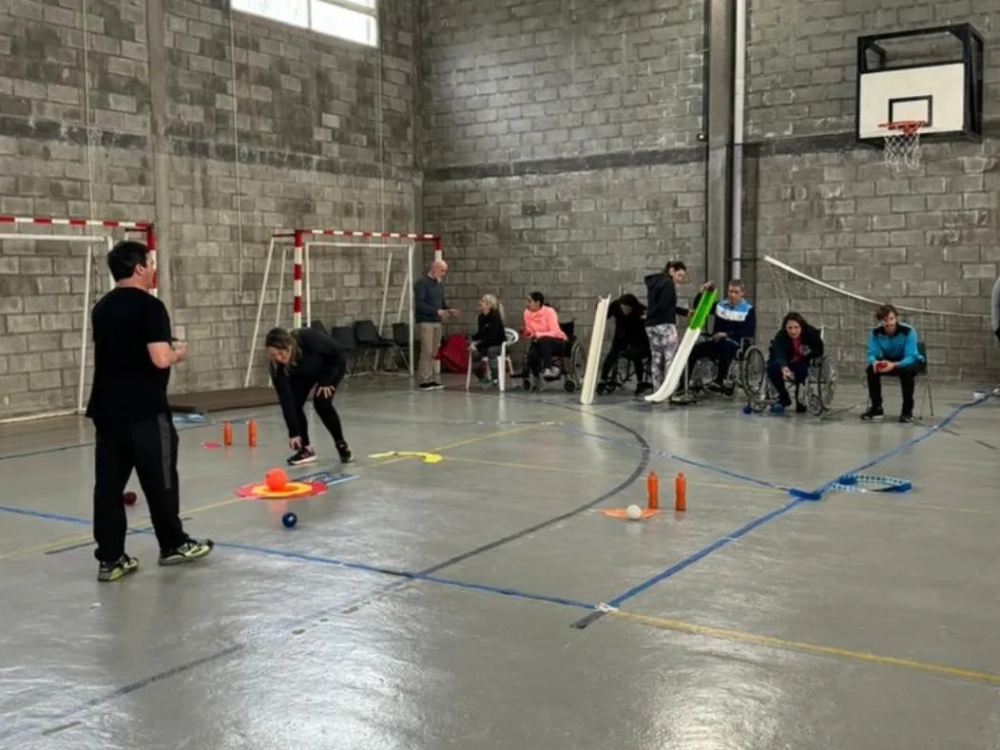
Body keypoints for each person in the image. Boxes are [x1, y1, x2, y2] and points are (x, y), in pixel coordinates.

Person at [85, 240, 213, 582]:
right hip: (145, 410)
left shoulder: (101, 308)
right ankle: (172, 545)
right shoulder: (150, 307)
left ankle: (111, 559)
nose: (153, 267)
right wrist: (178, 354)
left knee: (108, 488)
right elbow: (159, 358)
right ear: (139, 268)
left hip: (107, 411)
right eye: (150, 263)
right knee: (161, 481)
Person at [265, 325, 353, 466]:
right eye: (274, 356)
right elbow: (285, 399)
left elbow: (340, 353)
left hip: (328, 368)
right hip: (303, 374)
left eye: (282, 353)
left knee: (321, 403)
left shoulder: (308, 338)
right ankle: (306, 449)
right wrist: (293, 432)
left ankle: (341, 444)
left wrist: (327, 380)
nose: (280, 359)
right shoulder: (276, 367)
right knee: (295, 403)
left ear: (289, 345)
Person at [687, 279, 756, 393]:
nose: (732, 295)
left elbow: (749, 331)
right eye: (730, 292)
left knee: (725, 347)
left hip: (735, 343)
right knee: (693, 350)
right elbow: (700, 307)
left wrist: (726, 334)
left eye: (736, 292)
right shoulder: (720, 305)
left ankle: (719, 381)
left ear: (742, 293)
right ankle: (684, 384)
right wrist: (702, 292)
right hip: (716, 341)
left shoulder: (748, 310)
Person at [861, 304, 924, 423]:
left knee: (907, 371)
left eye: (891, 319)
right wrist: (874, 362)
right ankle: (876, 408)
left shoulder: (909, 331)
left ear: (896, 318)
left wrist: (894, 365)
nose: (889, 323)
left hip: (911, 360)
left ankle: (907, 411)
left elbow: (911, 356)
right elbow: (871, 353)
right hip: (890, 359)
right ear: (880, 321)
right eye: (885, 320)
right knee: (871, 370)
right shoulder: (875, 333)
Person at [765, 312, 824, 414]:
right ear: (785, 328)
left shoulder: (810, 332)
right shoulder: (781, 336)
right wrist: (784, 367)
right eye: (790, 328)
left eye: (796, 327)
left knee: (801, 371)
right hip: (786, 359)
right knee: (772, 368)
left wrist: (809, 352)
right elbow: (779, 352)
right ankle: (784, 396)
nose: (793, 331)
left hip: (802, 360)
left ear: (801, 326)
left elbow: (820, 350)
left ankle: (800, 399)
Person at [644, 261, 690, 390]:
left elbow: (662, 305)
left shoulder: (654, 283)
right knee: (670, 358)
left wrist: (685, 312)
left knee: (656, 358)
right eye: (679, 275)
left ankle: (657, 389)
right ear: (671, 271)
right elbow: (665, 306)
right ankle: (670, 389)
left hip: (651, 325)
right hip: (665, 324)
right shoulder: (668, 283)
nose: (680, 280)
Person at [414, 259, 459, 391]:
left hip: (437, 322)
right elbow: (420, 304)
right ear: (434, 268)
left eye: (445, 271)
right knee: (426, 350)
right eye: (442, 270)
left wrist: (449, 310)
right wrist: (436, 311)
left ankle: (431, 378)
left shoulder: (439, 284)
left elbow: (441, 303)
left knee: (434, 351)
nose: (444, 273)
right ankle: (424, 379)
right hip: (426, 321)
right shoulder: (422, 283)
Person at [598, 293, 651, 395]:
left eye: (628, 309)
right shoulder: (615, 306)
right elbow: (604, 315)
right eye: (623, 308)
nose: (625, 311)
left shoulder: (641, 310)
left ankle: (640, 382)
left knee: (636, 357)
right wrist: (600, 306)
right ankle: (602, 380)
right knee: (612, 355)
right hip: (621, 336)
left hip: (638, 338)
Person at [522, 291, 567, 380]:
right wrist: (528, 333)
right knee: (532, 354)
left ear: (537, 303)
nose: (527, 304)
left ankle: (548, 368)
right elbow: (530, 330)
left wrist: (538, 334)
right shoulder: (526, 313)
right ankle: (536, 377)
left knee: (544, 339)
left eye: (529, 301)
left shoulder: (549, 312)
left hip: (557, 341)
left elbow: (554, 331)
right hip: (539, 343)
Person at [468, 294, 507, 383]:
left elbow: (493, 337)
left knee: (491, 351)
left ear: (489, 305)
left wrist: (477, 344)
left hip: (498, 345)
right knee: (474, 354)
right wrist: (472, 339)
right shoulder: (481, 317)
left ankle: (495, 378)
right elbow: (481, 333)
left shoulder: (495, 317)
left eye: (482, 301)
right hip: (486, 344)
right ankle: (482, 378)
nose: (480, 303)